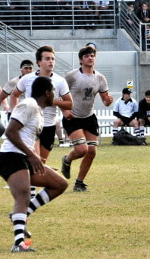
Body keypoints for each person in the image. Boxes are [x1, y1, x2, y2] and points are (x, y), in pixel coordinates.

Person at [0, 76, 68, 252]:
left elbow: (27, 139)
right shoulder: (28, 104)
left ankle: (22, 215)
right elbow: (10, 131)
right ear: (46, 92)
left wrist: (38, 161)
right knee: (23, 195)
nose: (55, 96)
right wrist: (32, 156)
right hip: (10, 157)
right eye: (53, 92)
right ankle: (18, 244)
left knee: (59, 184)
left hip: (24, 157)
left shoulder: (39, 110)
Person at [60, 46, 113, 192]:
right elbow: (59, 94)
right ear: (81, 60)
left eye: (92, 55)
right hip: (73, 117)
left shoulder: (100, 78)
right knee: (82, 150)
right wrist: (65, 111)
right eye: (87, 56)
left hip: (89, 117)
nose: (90, 58)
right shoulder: (72, 76)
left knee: (92, 151)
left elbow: (105, 101)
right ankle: (67, 160)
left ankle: (79, 182)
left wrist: (109, 100)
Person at [11, 46, 72, 165]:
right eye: (47, 59)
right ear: (39, 62)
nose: (51, 61)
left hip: (49, 125)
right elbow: (14, 95)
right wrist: (15, 113)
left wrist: (52, 101)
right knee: (35, 159)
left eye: (53, 59)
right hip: (30, 125)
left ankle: (30, 181)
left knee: (41, 164)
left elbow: (69, 104)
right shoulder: (28, 78)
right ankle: (24, 182)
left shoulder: (60, 81)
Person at [0, 60, 34, 150]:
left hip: (32, 113)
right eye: (26, 68)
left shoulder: (36, 81)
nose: (28, 70)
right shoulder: (14, 82)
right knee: (17, 136)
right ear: (21, 70)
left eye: (30, 68)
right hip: (16, 113)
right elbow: (1, 97)